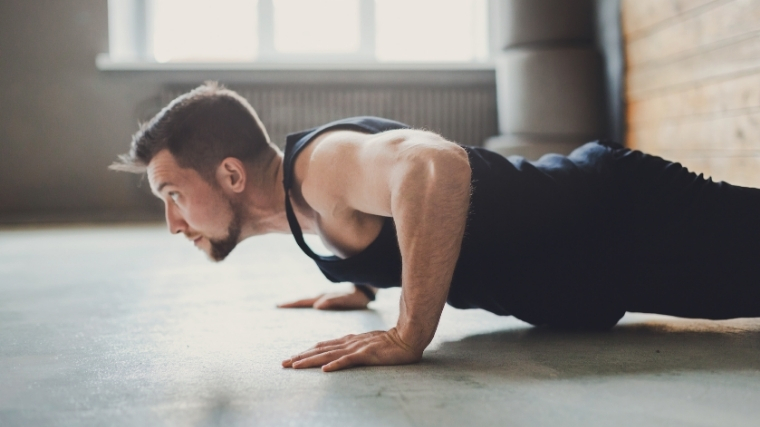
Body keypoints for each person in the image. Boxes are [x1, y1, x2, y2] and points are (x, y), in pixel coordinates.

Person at [110, 82, 760, 372]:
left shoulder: (322, 165)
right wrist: (360, 284)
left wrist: (408, 332)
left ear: (229, 176)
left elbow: (435, 168)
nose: (171, 222)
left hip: (621, 219)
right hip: (604, 270)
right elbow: (377, 221)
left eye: (172, 193)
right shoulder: (300, 207)